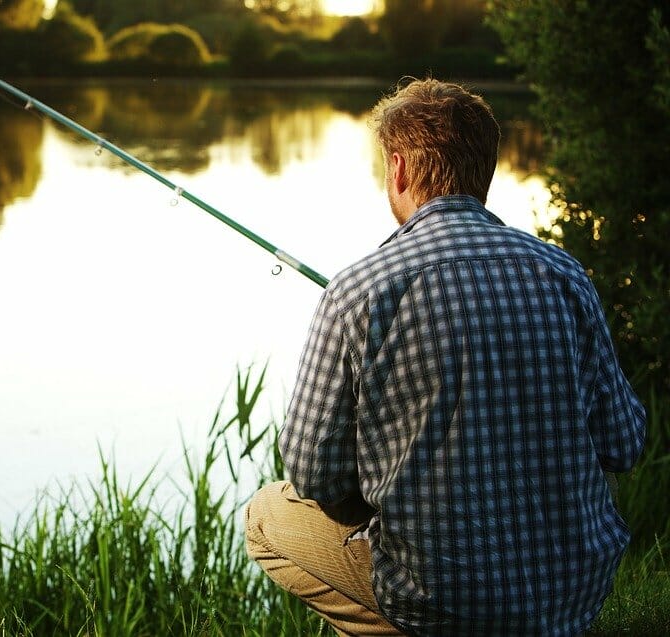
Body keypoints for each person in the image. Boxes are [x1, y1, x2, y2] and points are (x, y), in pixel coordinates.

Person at [244, 78, 647, 636]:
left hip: (436, 599)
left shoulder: (357, 290)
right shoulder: (564, 275)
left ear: (400, 169)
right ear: (485, 171)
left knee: (267, 515)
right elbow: (624, 441)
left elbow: (312, 472)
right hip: (572, 596)